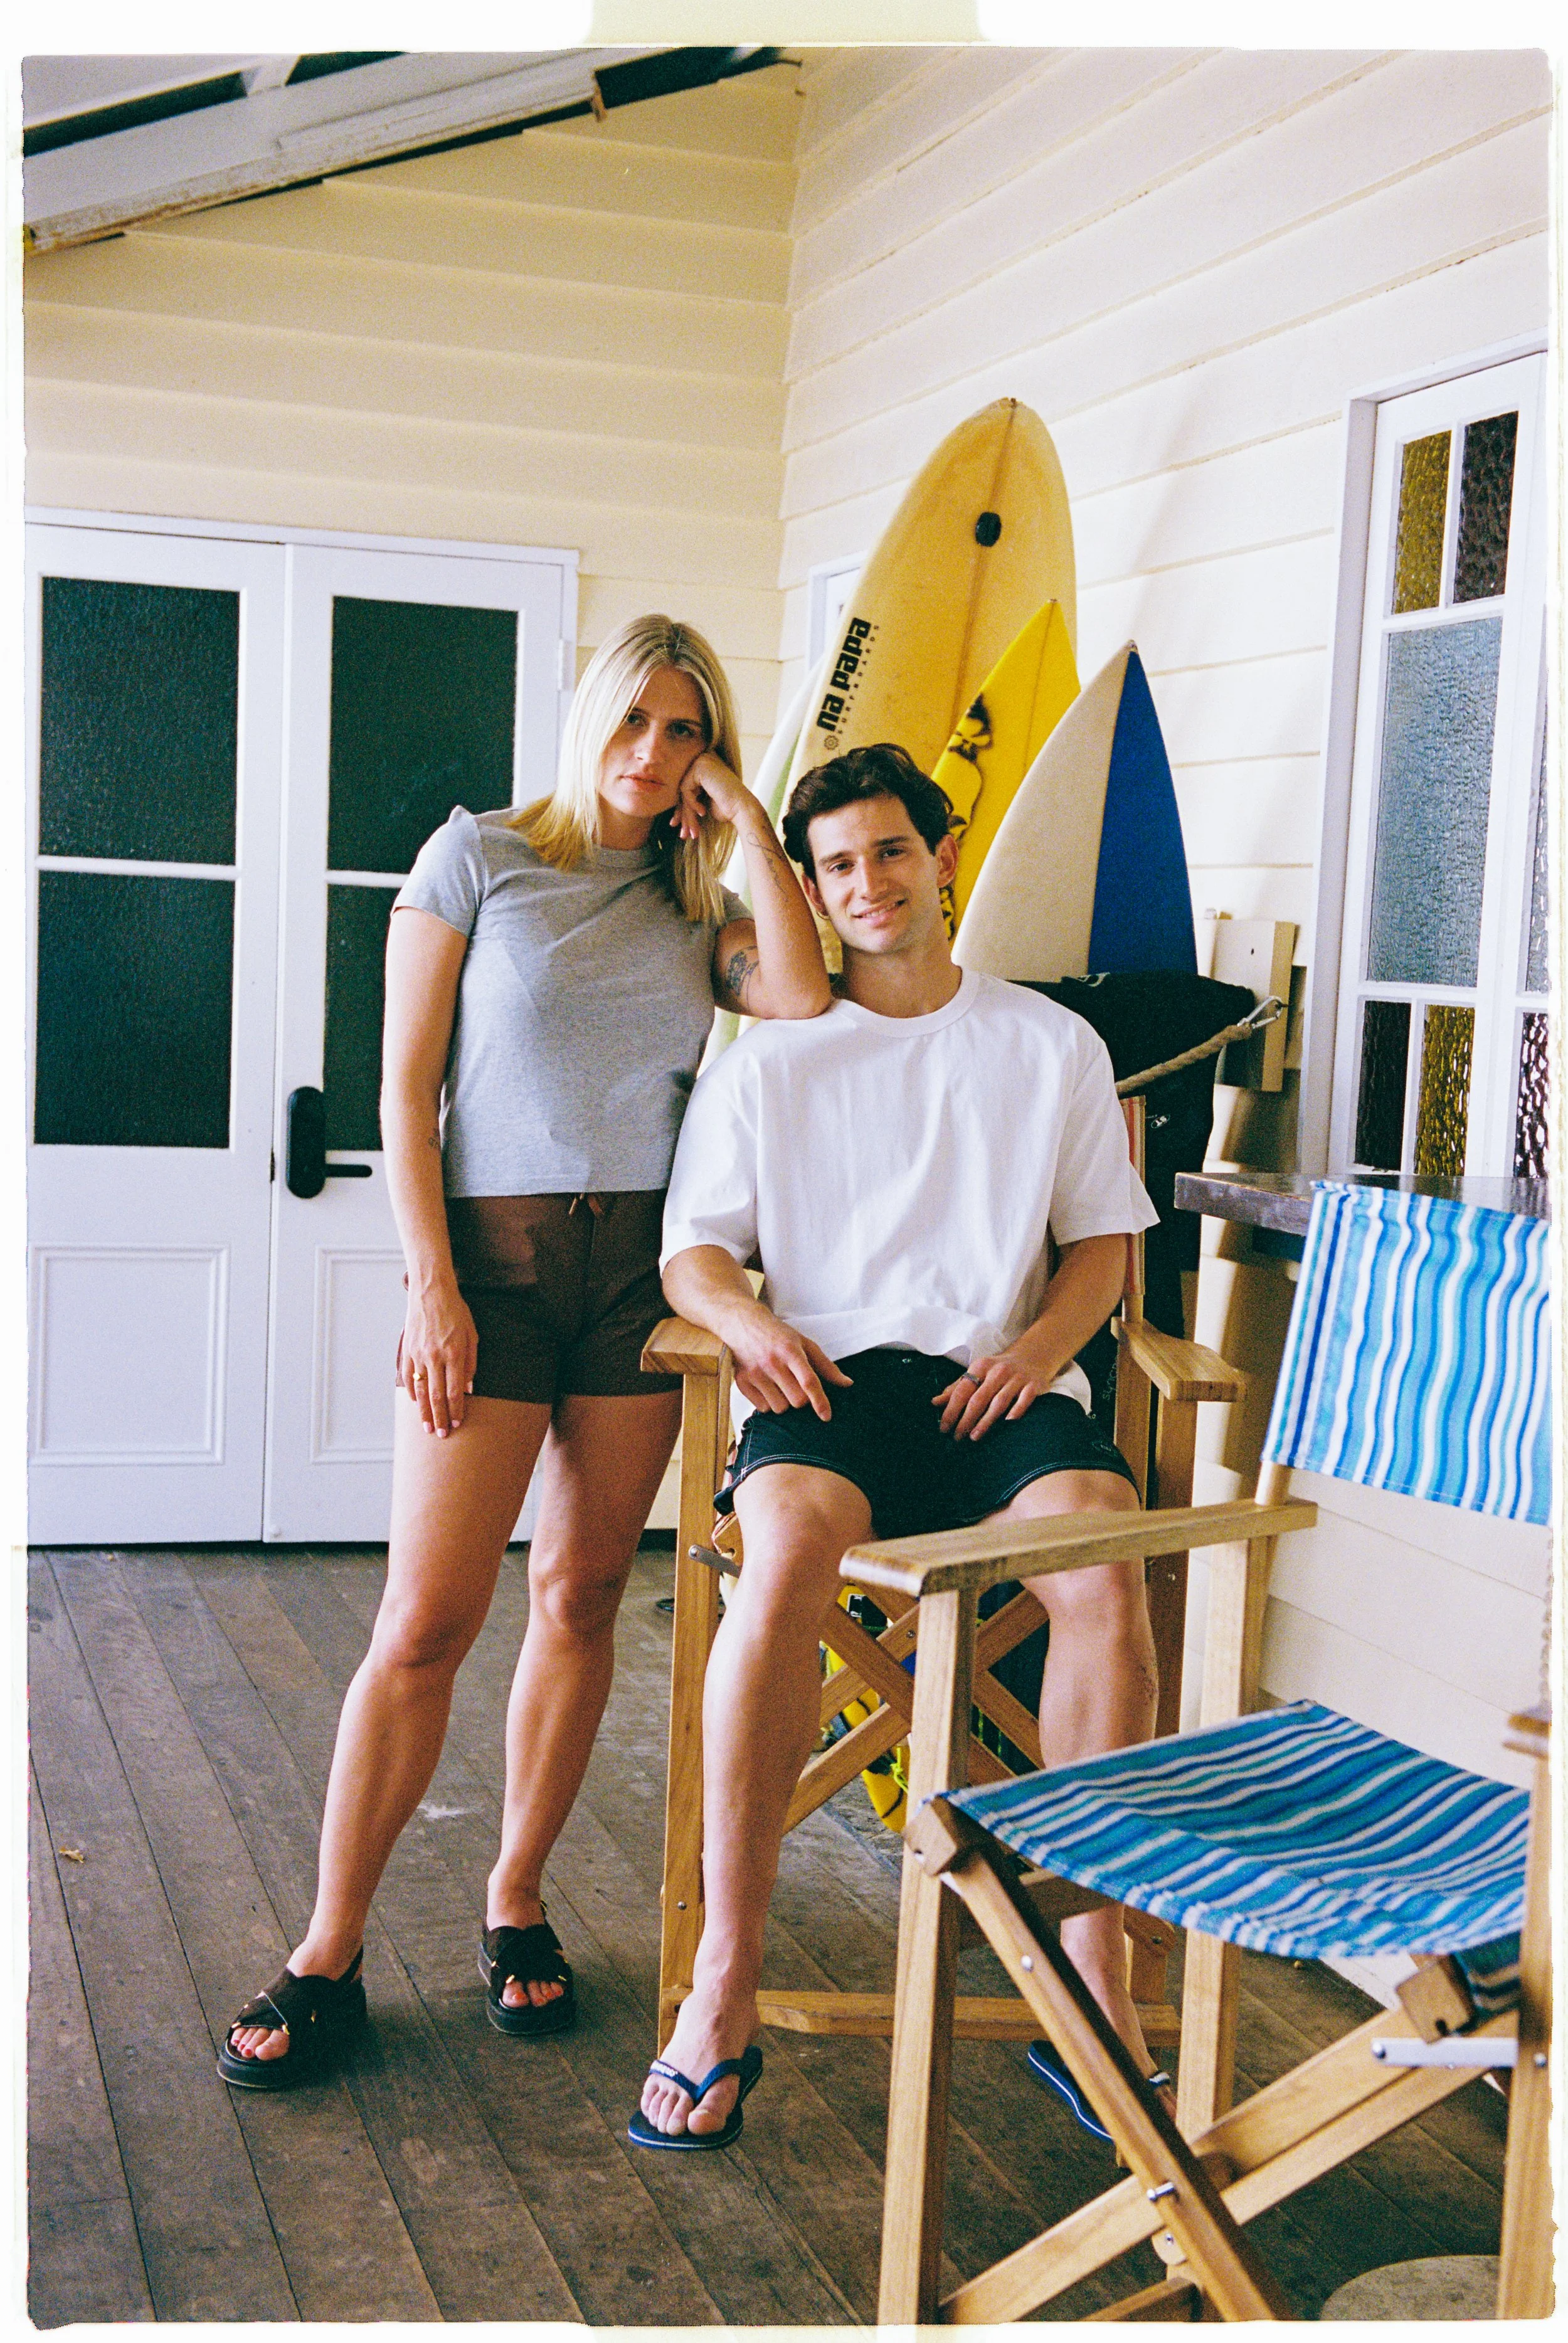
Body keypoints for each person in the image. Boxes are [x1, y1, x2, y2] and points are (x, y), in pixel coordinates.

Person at [220, 615, 831, 2088]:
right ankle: (328, 1951)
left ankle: (515, 1898)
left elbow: (803, 991)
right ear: (587, 718)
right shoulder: (475, 857)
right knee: (426, 1618)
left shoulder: (693, 901)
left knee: (580, 1592)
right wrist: (430, 1285)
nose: (652, 753)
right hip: (489, 1269)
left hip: (635, 1278)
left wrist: (749, 827)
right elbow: (403, 1087)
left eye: (685, 731)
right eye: (634, 720)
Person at [633, 742, 1163, 2150]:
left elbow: (1100, 1245)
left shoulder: (1046, 1042)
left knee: (1104, 1576)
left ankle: (1093, 1977)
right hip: (830, 1388)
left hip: (999, 1386)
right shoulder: (771, 1057)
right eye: (836, 866)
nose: (866, 884)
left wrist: (1038, 1353)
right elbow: (694, 1254)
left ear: (942, 856)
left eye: (889, 851)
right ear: (808, 891)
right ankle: (724, 1978)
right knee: (782, 1559)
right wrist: (745, 1319)